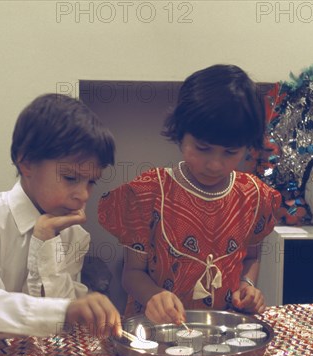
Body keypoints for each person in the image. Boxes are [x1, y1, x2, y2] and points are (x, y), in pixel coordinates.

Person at [98, 64, 281, 325]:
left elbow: (251, 257)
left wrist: (248, 285)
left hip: (222, 332)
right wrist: (154, 296)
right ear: (180, 133)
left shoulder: (254, 197)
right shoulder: (149, 193)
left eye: (230, 152)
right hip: (156, 331)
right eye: (202, 148)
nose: (215, 164)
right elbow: (132, 273)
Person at [0, 93, 121, 341]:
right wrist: (64, 311)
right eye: (70, 178)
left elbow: (57, 323)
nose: (83, 195)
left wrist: (46, 241)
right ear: (27, 163)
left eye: (91, 182)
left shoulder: (75, 235)